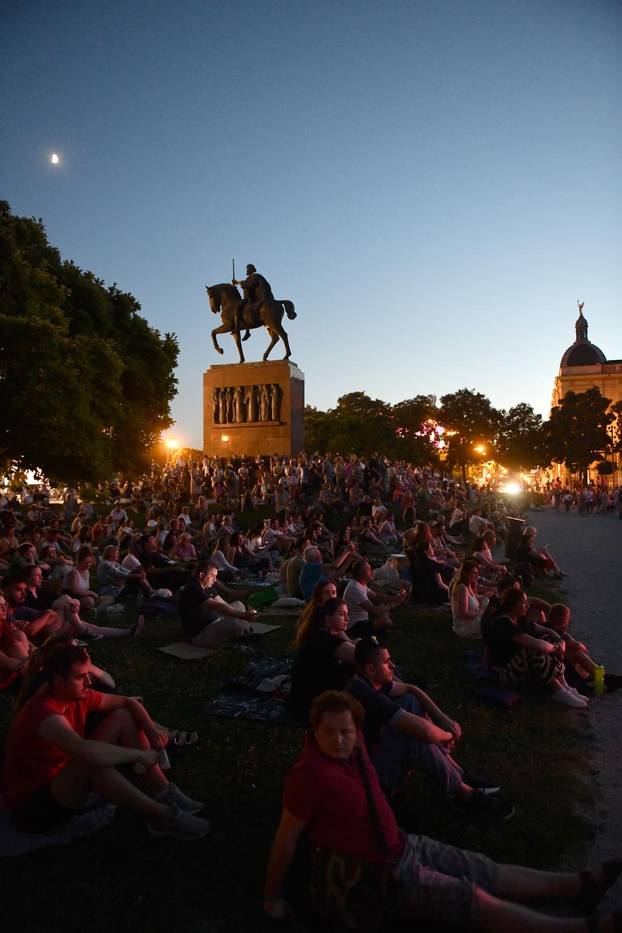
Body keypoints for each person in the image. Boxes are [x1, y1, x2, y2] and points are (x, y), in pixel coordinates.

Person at [264, 690, 621, 930]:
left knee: (482, 868)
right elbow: (286, 839)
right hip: (380, 873)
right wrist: (273, 898)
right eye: (330, 732)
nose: (339, 740)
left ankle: (578, 885)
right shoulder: (309, 774)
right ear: (314, 729)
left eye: (346, 732)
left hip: (402, 845)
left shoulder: (352, 750)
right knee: (473, 898)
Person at [2, 641, 210, 839]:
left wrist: (152, 733)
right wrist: (139, 754)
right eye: (80, 677)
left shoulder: (75, 695)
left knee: (122, 716)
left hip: (60, 782)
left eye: (88, 675)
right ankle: (164, 816)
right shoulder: (44, 712)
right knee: (92, 762)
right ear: (58, 681)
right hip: (32, 809)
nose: (89, 682)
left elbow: (129, 703)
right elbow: (86, 752)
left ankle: (163, 791)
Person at [345, 640, 508, 813]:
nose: (393, 665)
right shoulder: (368, 696)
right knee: (412, 738)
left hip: (373, 758)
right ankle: (463, 794)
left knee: (409, 701)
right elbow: (426, 732)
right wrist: (448, 735)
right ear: (370, 669)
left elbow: (411, 689)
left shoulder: (365, 682)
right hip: (366, 783)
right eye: (386, 662)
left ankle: (457, 774)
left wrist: (444, 719)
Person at [482, 588, 586, 708]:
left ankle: (564, 686)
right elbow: (537, 645)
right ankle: (558, 690)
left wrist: (560, 642)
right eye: (524, 602)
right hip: (502, 673)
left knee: (547, 638)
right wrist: (555, 649)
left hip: (515, 666)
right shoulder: (504, 623)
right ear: (514, 605)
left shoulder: (518, 620)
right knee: (533, 648)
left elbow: (547, 630)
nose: (527, 605)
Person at [289, 597, 357, 723]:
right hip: (311, 705)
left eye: (347, 614)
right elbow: (363, 657)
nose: (347, 619)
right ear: (327, 617)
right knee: (362, 670)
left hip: (307, 698)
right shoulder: (324, 639)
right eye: (342, 615)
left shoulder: (319, 634)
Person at [178, 560, 257, 648]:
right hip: (201, 634)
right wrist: (242, 616)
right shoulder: (193, 589)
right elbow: (218, 607)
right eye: (212, 576)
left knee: (239, 604)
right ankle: (244, 631)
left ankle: (244, 630)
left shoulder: (207, 586)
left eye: (216, 576)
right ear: (201, 575)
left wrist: (240, 614)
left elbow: (222, 603)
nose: (215, 580)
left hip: (215, 621)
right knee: (235, 623)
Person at [343, 559, 404, 637]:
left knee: (384, 610)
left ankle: (389, 628)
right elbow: (374, 611)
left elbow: (375, 596)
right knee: (384, 619)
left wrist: (394, 598)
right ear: (360, 573)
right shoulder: (355, 588)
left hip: (363, 619)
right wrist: (394, 604)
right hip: (354, 625)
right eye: (369, 569)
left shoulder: (360, 584)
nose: (372, 571)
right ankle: (390, 629)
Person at [450, 559, 490, 639]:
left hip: (472, 620)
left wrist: (486, 596)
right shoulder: (462, 587)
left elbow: (474, 599)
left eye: (477, 573)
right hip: (464, 626)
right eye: (474, 573)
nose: (477, 576)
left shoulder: (469, 586)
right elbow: (464, 613)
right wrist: (482, 612)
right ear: (466, 574)